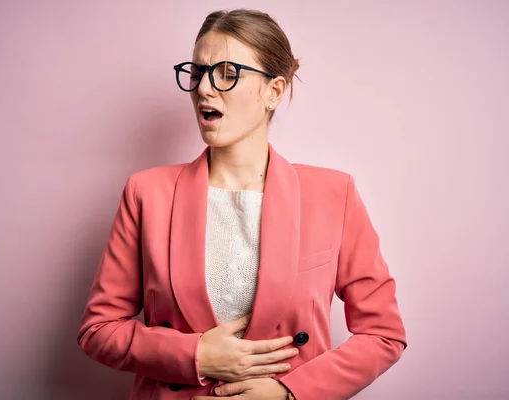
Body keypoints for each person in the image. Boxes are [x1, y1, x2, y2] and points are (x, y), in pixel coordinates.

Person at [77, 9, 407, 400]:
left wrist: (289, 392)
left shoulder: (334, 194)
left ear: (274, 91)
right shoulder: (146, 193)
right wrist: (195, 355)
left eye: (227, 73)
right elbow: (98, 330)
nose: (203, 89)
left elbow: (383, 333)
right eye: (198, 73)